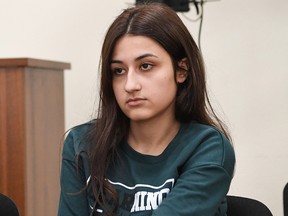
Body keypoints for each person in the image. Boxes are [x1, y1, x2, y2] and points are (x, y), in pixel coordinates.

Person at [58, 2, 235, 216]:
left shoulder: (208, 148)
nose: (130, 85)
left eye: (146, 66)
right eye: (119, 70)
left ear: (182, 70)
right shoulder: (82, 144)